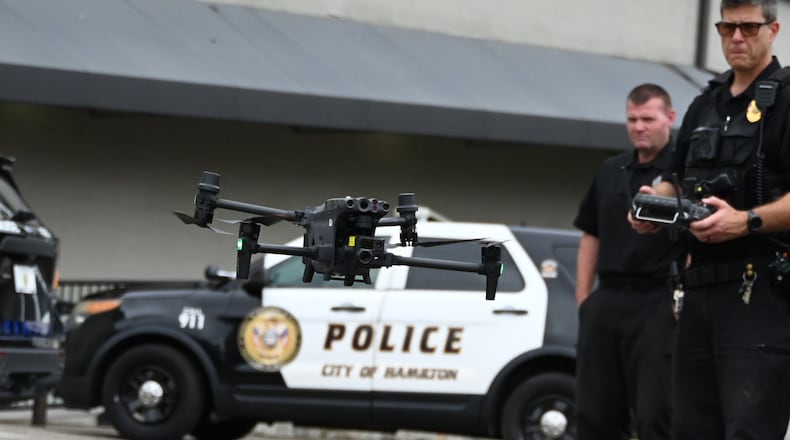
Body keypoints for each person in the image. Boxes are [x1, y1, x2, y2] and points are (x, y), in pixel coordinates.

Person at [630, 0, 790, 437]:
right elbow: (676, 179)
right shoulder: (706, 102)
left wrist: (747, 221)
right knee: (689, 427)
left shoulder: (787, 99)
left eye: (749, 28)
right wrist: (655, 203)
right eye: (727, 27)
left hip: (760, 293)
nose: (736, 38)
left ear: (773, 30)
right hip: (698, 292)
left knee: (749, 428)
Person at [573, 83, 686, 440]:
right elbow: (591, 233)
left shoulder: (683, 172)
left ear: (669, 118)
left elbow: (699, 235)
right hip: (607, 299)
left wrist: (683, 302)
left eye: (647, 119)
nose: (639, 127)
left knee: (656, 413)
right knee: (594, 412)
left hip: (658, 300)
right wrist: (583, 300)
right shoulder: (611, 169)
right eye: (632, 119)